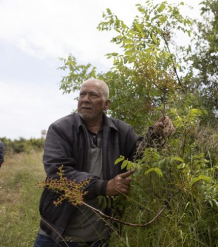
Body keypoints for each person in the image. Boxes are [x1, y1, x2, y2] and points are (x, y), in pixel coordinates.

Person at [34, 78, 174, 247]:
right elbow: (58, 173)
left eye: (93, 95)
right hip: (56, 235)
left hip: (99, 237)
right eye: (82, 94)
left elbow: (140, 157)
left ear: (106, 104)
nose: (85, 99)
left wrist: (156, 135)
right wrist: (104, 187)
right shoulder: (60, 129)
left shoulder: (121, 131)